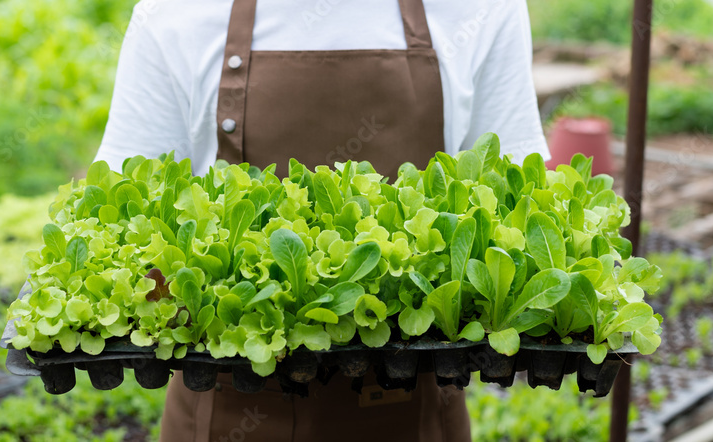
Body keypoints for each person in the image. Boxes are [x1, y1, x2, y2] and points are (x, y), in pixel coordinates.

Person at [94, 1, 549, 441]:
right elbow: (129, 213)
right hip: (227, 409)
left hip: (417, 411)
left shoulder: (481, 8)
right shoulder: (174, 12)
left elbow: (510, 205)